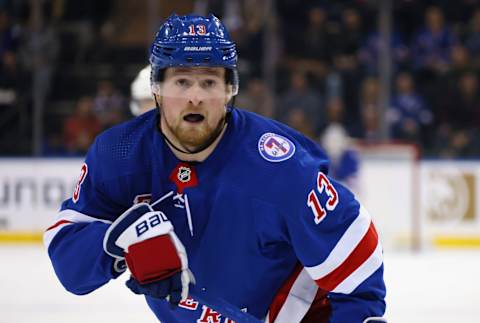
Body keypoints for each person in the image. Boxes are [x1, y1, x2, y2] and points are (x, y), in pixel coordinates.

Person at [44, 14, 386, 323]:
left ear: (229, 90)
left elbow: (358, 266)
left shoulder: (281, 165)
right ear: (157, 89)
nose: (195, 96)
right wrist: (115, 241)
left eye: (209, 82)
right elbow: (69, 263)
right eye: (181, 81)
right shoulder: (119, 154)